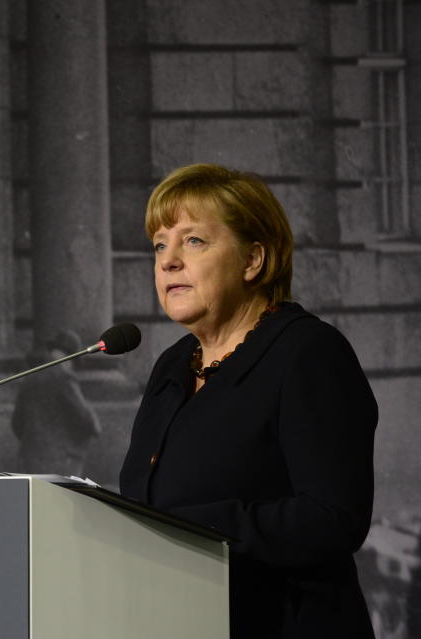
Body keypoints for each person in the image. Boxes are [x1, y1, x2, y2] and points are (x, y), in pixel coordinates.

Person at [119, 164, 377, 639]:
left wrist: (189, 530)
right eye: (160, 245)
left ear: (253, 259)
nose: (168, 261)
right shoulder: (173, 365)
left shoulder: (307, 353)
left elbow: (333, 518)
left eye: (193, 241)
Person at [11, 329, 100, 476]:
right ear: (70, 358)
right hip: (62, 461)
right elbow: (85, 417)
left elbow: (16, 423)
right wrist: (94, 428)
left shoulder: (29, 379)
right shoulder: (65, 379)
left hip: (30, 459)